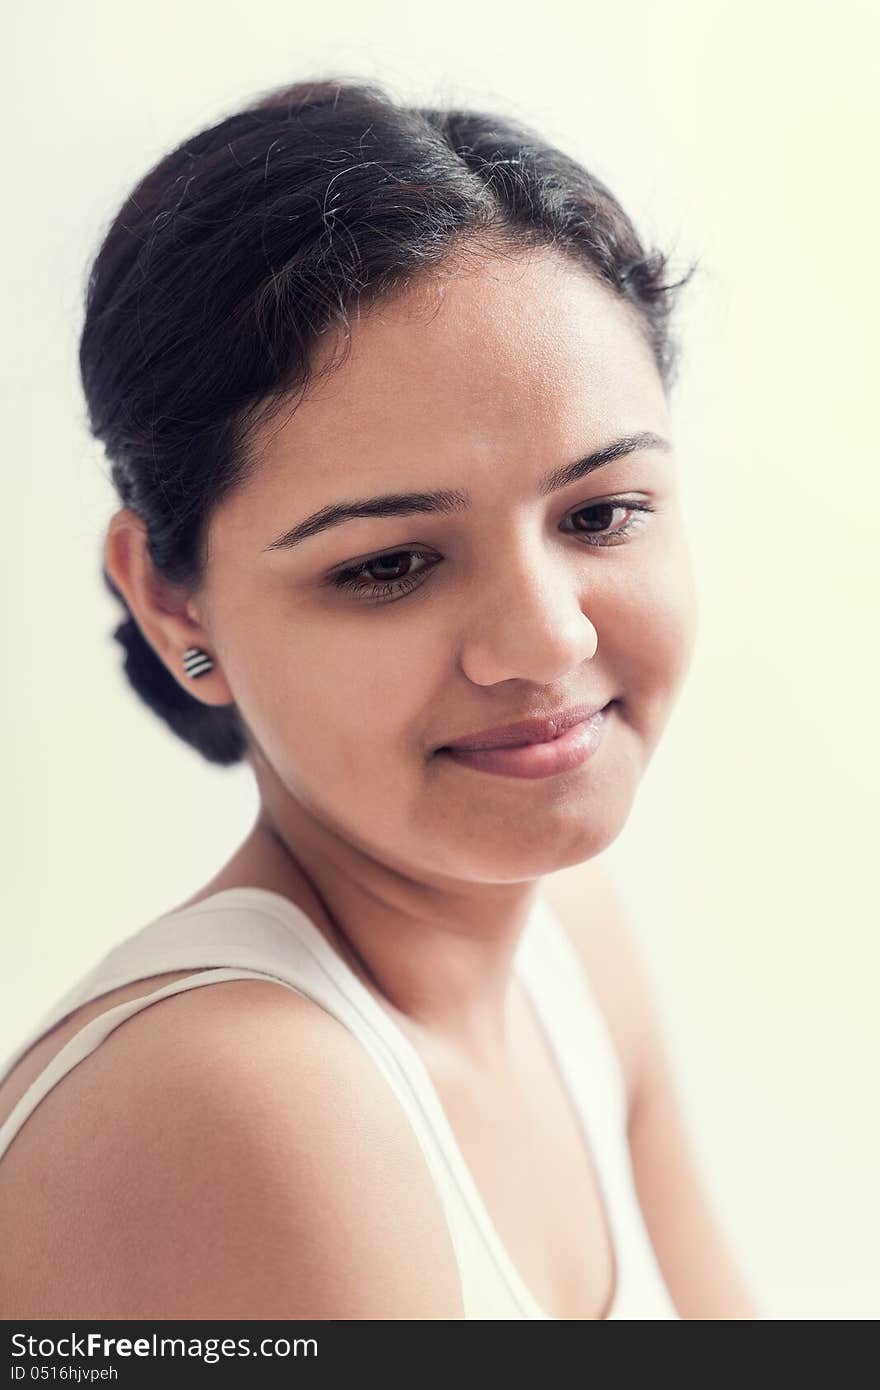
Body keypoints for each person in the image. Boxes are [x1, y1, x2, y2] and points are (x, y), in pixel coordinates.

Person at [0, 77, 758, 1320]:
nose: (545, 637)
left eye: (600, 514)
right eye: (388, 564)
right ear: (173, 602)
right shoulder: (245, 1104)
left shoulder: (569, 936)